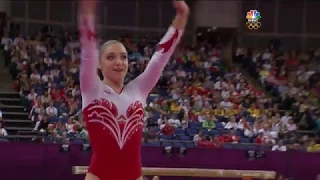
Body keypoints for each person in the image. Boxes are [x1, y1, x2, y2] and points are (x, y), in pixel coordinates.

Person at [79, 0, 189, 180]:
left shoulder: (139, 90)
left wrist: (182, 16)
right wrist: (88, 14)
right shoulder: (92, 89)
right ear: (99, 64)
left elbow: (161, 56)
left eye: (123, 57)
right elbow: (88, 50)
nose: (119, 62)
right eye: (110, 57)